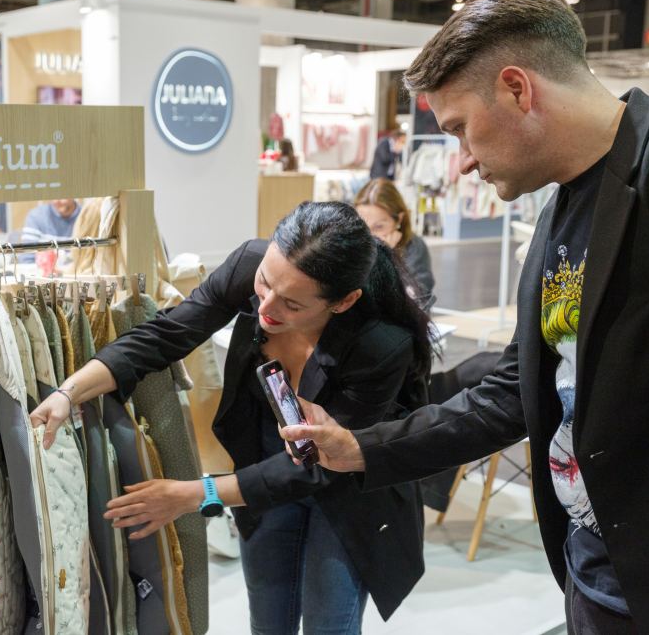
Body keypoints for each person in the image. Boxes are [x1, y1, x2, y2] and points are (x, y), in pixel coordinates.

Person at [281, 0, 649, 632]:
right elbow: (514, 390)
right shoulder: (560, 210)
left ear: (517, 88)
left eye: (458, 131)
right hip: (595, 576)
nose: (459, 166)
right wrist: (362, 449)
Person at [31, 201, 435, 634]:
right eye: (265, 283)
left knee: (328, 625)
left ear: (343, 302)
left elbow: (319, 470)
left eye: (293, 304)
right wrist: (67, 392)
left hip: (347, 494)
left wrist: (193, 495)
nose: (267, 307)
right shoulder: (250, 264)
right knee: (268, 621)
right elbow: (168, 334)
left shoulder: (380, 346)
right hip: (262, 468)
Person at [354, 178, 435, 305]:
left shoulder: (414, 247)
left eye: (379, 227)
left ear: (399, 220)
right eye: (362, 225)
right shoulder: (351, 243)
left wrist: (387, 256)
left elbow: (418, 299)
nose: (370, 235)